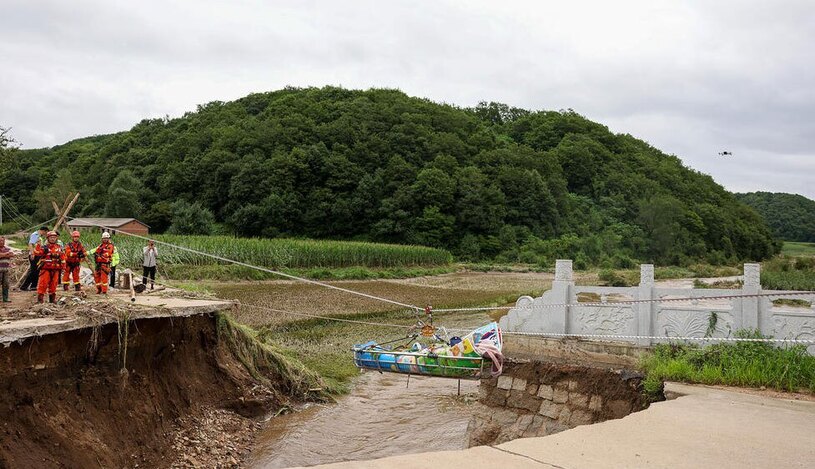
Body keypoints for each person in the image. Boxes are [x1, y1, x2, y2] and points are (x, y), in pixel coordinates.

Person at [33, 231, 65, 303]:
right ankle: (40, 301)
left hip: (56, 270)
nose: (53, 239)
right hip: (46, 269)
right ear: (48, 238)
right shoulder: (45, 248)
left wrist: (63, 268)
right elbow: (37, 253)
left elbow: (63, 258)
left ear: (56, 238)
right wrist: (38, 245)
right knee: (43, 284)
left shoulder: (59, 248)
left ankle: (52, 301)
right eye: (51, 237)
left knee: (54, 285)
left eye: (54, 237)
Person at [20, 226, 47, 291]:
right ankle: (24, 286)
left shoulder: (39, 236)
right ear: (43, 231)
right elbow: (30, 244)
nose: (45, 234)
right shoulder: (35, 235)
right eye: (45, 232)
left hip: (38, 255)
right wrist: (32, 253)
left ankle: (33, 286)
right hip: (34, 255)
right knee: (33, 271)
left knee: (37, 271)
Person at [0, 236, 14, 303]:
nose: (1, 242)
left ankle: (5, 298)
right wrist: (6, 254)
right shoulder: (7, 250)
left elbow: (12, 254)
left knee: (6, 284)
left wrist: (3, 255)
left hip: (6, 269)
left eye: (3, 241)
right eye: (0, 241)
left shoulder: (7, 248)